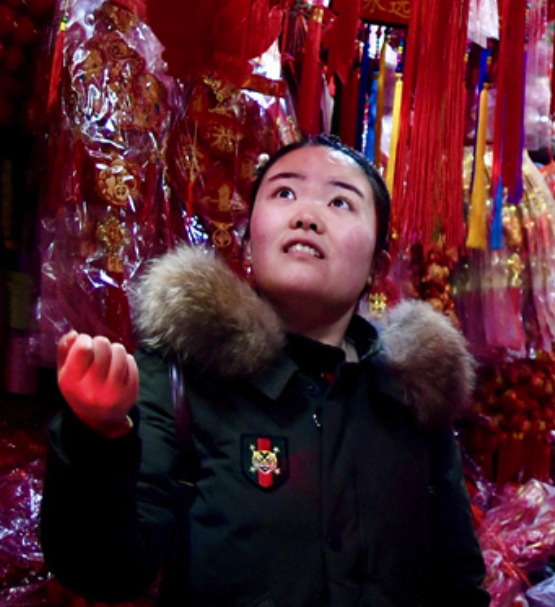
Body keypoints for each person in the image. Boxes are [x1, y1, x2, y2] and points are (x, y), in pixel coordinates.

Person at [40, 135, 489, 607]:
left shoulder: (412, 397)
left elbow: (458, 585)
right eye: (284, 193)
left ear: (378, 265)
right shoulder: (183, 374)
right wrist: (97, 435)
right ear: (248, 242)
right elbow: (107, 572)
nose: (307, 216)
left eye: (340, 201)